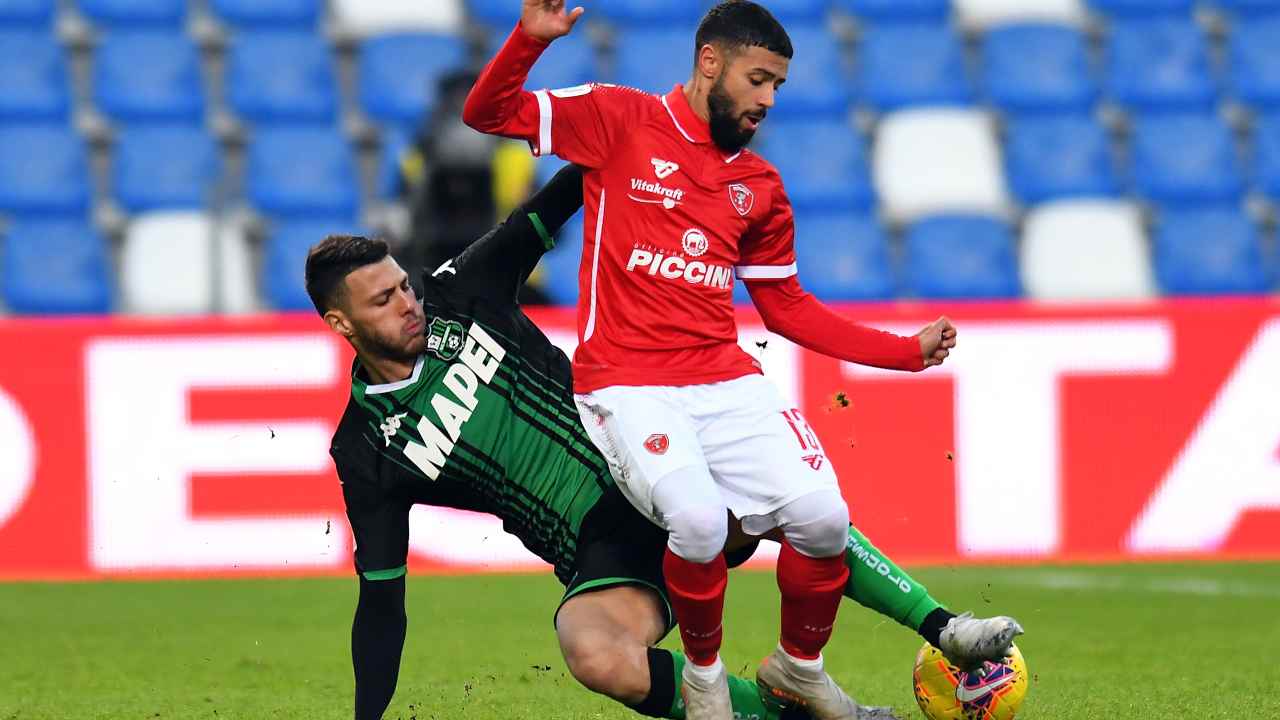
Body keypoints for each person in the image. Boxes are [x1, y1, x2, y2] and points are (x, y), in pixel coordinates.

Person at [311, 165, 1022, 720]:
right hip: (596, 544)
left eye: (403, 286)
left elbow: (560, 197)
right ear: (342, 325)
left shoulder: (460, 292)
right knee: (593, 652)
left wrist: (634, 136)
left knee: (794, 506)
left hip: (645, 451)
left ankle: (944, 627)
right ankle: (782, 709)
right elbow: (381, 601)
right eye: (384, 300)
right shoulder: (366, 451)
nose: (408, 303)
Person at [461, 3, 990, 718]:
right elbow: (487, 111)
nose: (768, 99)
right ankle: (707, 685)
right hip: (628, 383)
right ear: (710, 61)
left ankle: (800, 670)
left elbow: (787, 309)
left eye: (777, 86)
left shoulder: (760, 189)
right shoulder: (617, 118)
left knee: (823, 518)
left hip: (722, 378)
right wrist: (530, 41)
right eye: (759, 79)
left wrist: (904, 353)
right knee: (700, 522)